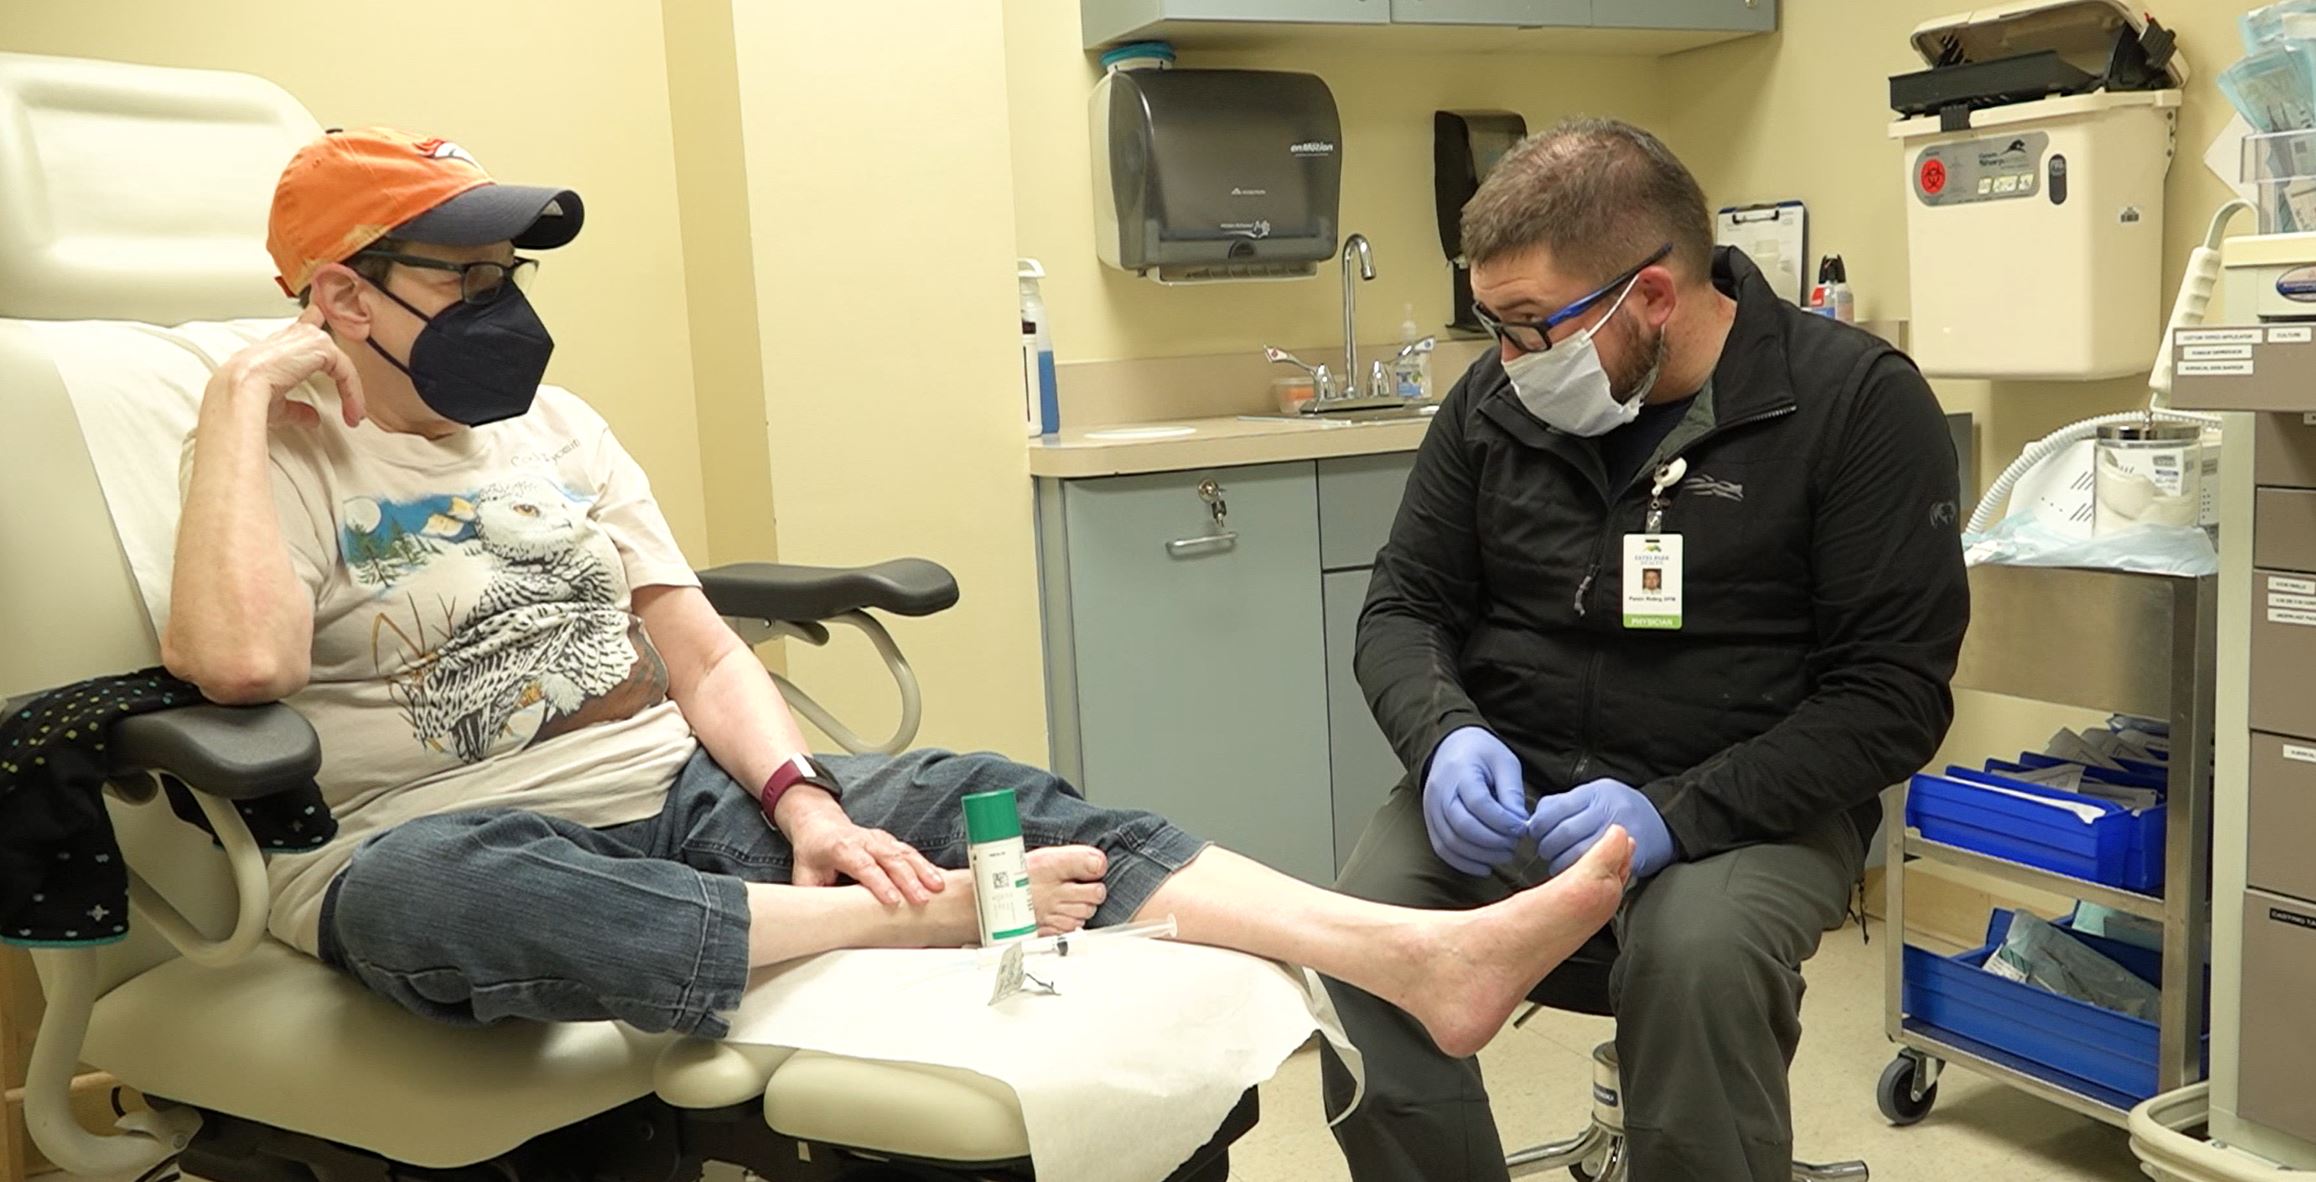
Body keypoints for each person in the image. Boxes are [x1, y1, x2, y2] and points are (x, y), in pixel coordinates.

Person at [160, 126, 1636, 1052]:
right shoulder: (265, 453)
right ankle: (916, 921)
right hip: (435, 845)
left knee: (981, 789)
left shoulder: (557, 425)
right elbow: (234, 669)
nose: (506, 313)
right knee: (435, 894)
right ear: (341, 298)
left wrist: (807, 803)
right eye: (463, 283)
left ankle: (1416, 955)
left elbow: (698, 646)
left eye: (511, 280)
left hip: (676, 809)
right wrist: (237, 400)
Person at [1320, 118, 1970, 1182]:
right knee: (1362, 936)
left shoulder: (1854, 405)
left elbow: (1892, 697)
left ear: (1653, 298)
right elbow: (1404, 604)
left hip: (1742, 808)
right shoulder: (1495, 400)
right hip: (1517, 781)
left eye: (1532, 326)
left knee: (1696, 958)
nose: (1508, 360)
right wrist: (1443, 738)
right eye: (1493, 324)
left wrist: (1670, 815)